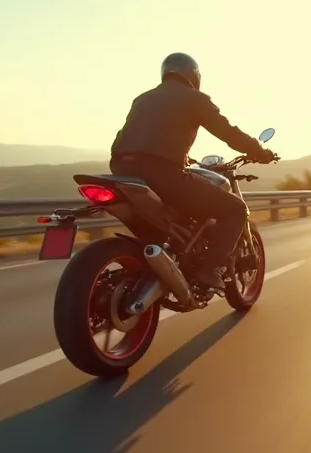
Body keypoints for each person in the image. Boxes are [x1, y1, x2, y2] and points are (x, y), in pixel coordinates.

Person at [109, 52, 277, 291]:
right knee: (236, 209)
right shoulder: (194, 98)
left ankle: (165, 265)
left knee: (164, 223)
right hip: (161, 174)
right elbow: (228, 132)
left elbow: (139, 138)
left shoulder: (143, 99)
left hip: (121, 171)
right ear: (193, 75)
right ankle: (210, 268)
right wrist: (260, 151)